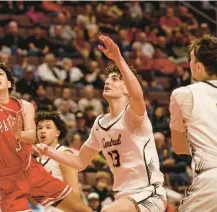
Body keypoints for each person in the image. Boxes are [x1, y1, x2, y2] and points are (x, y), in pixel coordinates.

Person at [37, 35, 167, 212]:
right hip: (123, 196)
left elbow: (137, 95)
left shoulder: (133, 115)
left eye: (115, 79)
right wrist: (49, 151)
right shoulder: (100, 123)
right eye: (107, 78)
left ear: (126, 88)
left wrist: (119, 59)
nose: (107, 81)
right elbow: (80, 162)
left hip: (148, 193)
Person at [0, 51, 91, 212]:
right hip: (8, 179)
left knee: (83, 209)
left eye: (0, 74)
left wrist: (18, 134)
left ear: (9, 83)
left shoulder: (24, 105)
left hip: (31, 168)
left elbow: (32, 136)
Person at [169, 34, 217, 211]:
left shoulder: (183, 94)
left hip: (210, 179)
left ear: (198, 65)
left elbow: (179, 147)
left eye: (191, 59)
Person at [35, 111, 80, 212]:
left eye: (48, 127)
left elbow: (75, 194)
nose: (43, 131)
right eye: (40, 128)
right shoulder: (36, 160)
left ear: (57, 133)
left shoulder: (64, 154)